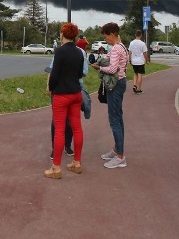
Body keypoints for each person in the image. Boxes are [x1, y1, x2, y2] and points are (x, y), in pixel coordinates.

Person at [44, 22, 85, 179]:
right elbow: (80, 74)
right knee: (77, 128)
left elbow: (54, 75)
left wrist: (52, 88)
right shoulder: (80, 53)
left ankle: (56, 168)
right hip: (76, 94)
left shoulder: (60, 52)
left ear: (62, 35)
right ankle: (77, 163)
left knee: (59, 129)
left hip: (61, 95)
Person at [91, 22, 129, 169]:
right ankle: (117, 149)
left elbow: (112, 68)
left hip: (115, 84)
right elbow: (115, 62)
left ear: (112, 34)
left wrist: (99, 67)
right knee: (118, 118)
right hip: (122, 81)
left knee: (114, 119)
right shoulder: (122, 47)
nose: (105, 39)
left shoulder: (115, 49)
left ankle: (120, 157)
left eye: (106, 36)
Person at [127, 29, 149, 94]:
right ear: (141, 35)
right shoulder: (142, 43)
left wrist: (130, 60)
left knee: (135, 74)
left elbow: (130, 52)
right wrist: (147, 60)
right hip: (140, 61)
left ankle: (134, 85)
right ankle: (138, 89)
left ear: (135, 35)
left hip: (134, 61)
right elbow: (145, 53)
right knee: (140, 74)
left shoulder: (131, 43)